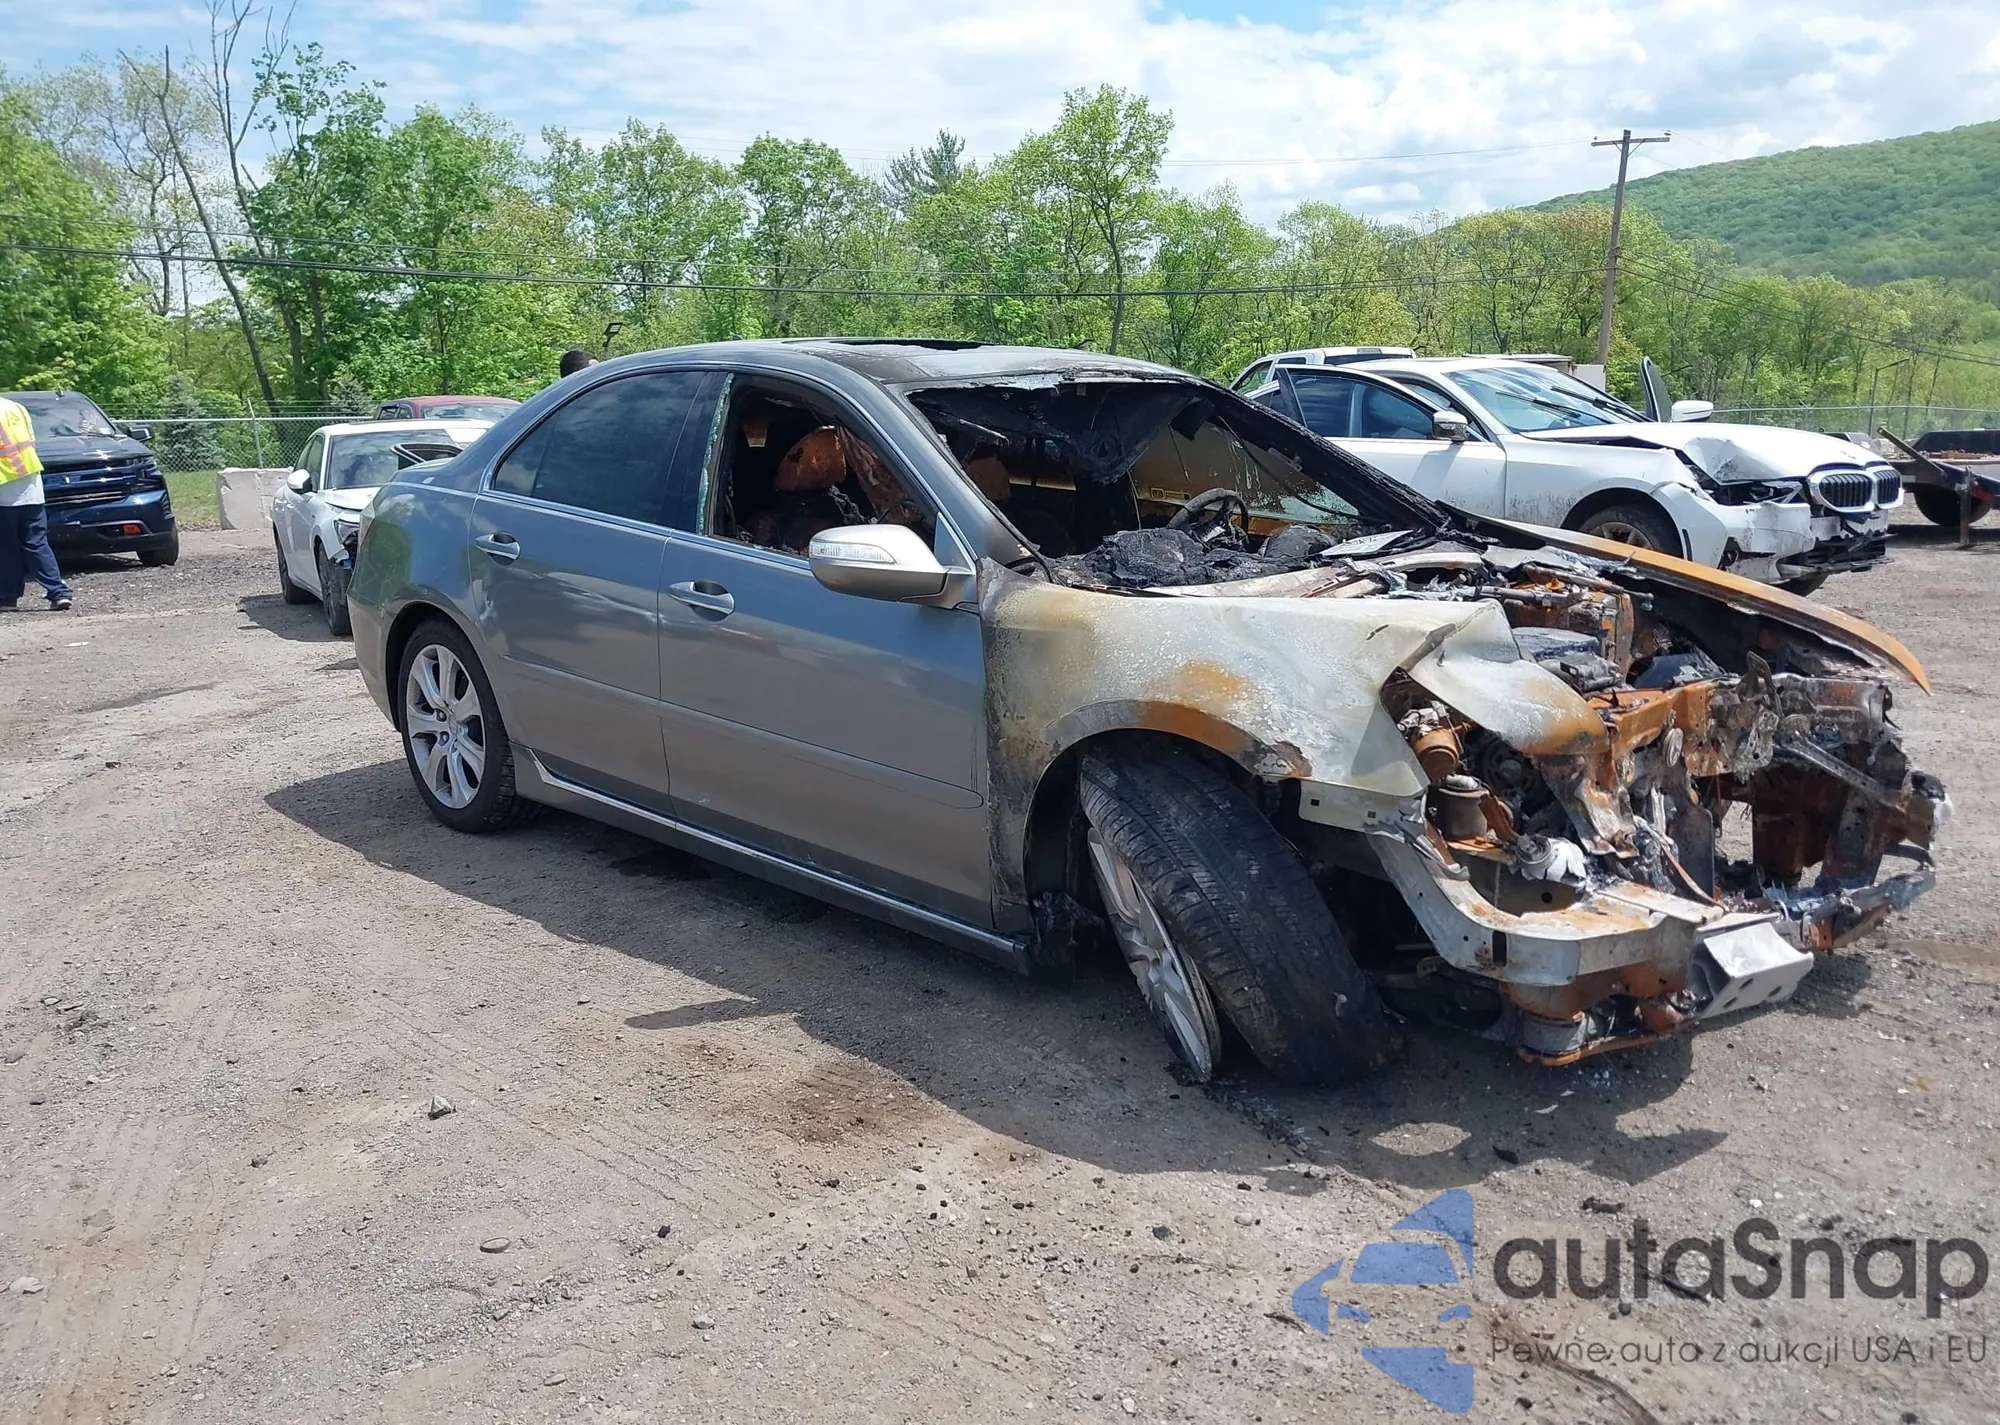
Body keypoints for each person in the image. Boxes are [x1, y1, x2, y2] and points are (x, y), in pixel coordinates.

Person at [0, 395, 72, 612]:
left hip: (4, 488)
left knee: (7, 547)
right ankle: (58, 592)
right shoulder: (16, 408)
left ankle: (7, 597)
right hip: (31, 485)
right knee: (37, 543)